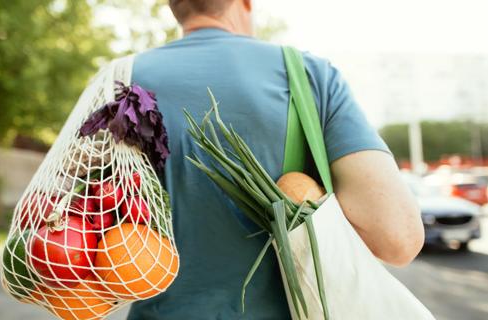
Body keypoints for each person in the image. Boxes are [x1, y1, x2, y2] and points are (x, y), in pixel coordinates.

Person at [128, 0, 425, 319]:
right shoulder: (309, 76)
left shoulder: (121, 79)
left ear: (175, 6)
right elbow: (398, 239)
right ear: (244, 3)